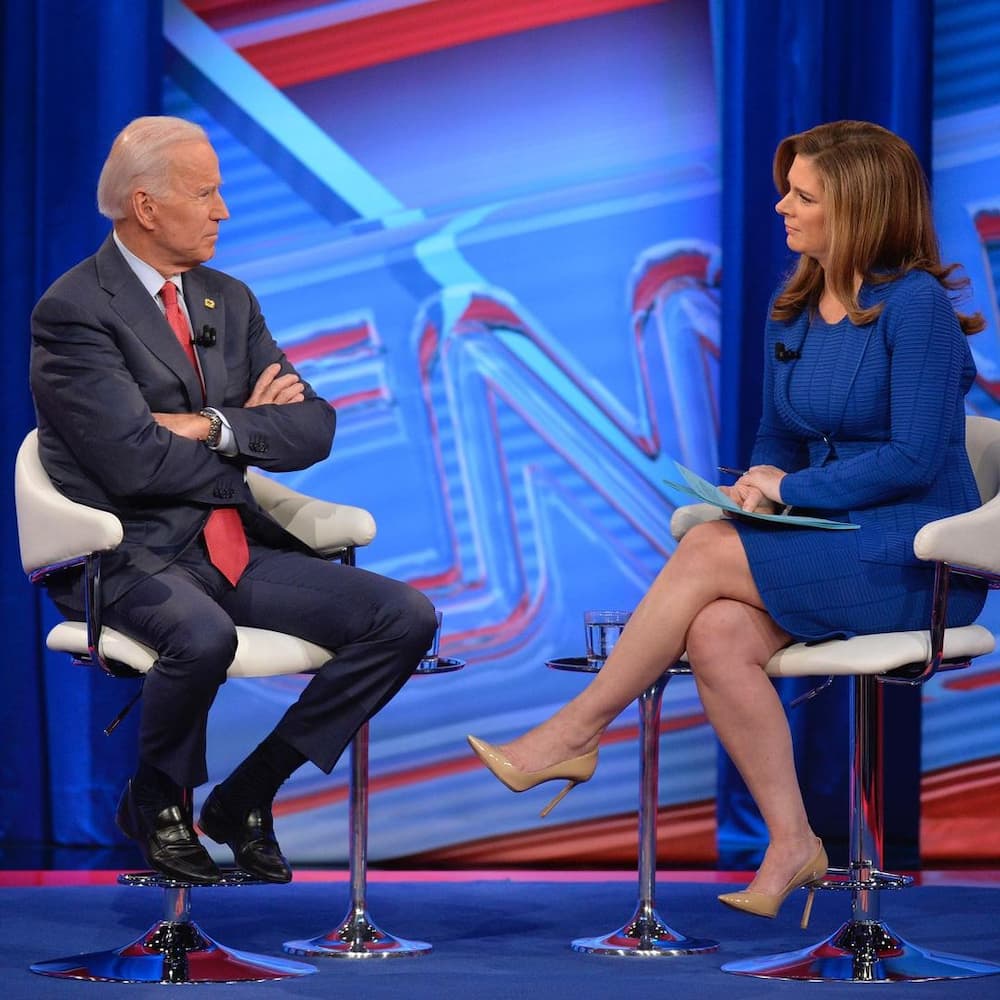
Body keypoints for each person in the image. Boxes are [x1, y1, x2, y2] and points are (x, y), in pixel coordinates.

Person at [467, 120, 988, 926]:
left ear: (857, 209)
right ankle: (792, 840)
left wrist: (792, 490)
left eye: (803, 194)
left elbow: (915, 459)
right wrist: (752, 486)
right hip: (834, 543)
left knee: (709, 552)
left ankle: (575, 731)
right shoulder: (795, 308)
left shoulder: (913, 306)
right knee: (714, 632)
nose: (781, 204)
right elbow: (777, 440)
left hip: (917, 560)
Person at [31, 116, 439, 886]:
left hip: (228, 546)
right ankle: (156, 798)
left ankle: (248, 795)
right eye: (207, 193)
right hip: (124, 553)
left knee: (403, 617)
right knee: (202, 635)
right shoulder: (76, 309)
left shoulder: (228, 299)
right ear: (147, 207)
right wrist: (247, 434)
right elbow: (127, 461)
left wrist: (211, 425)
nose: (224, 210)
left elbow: (313, 427)